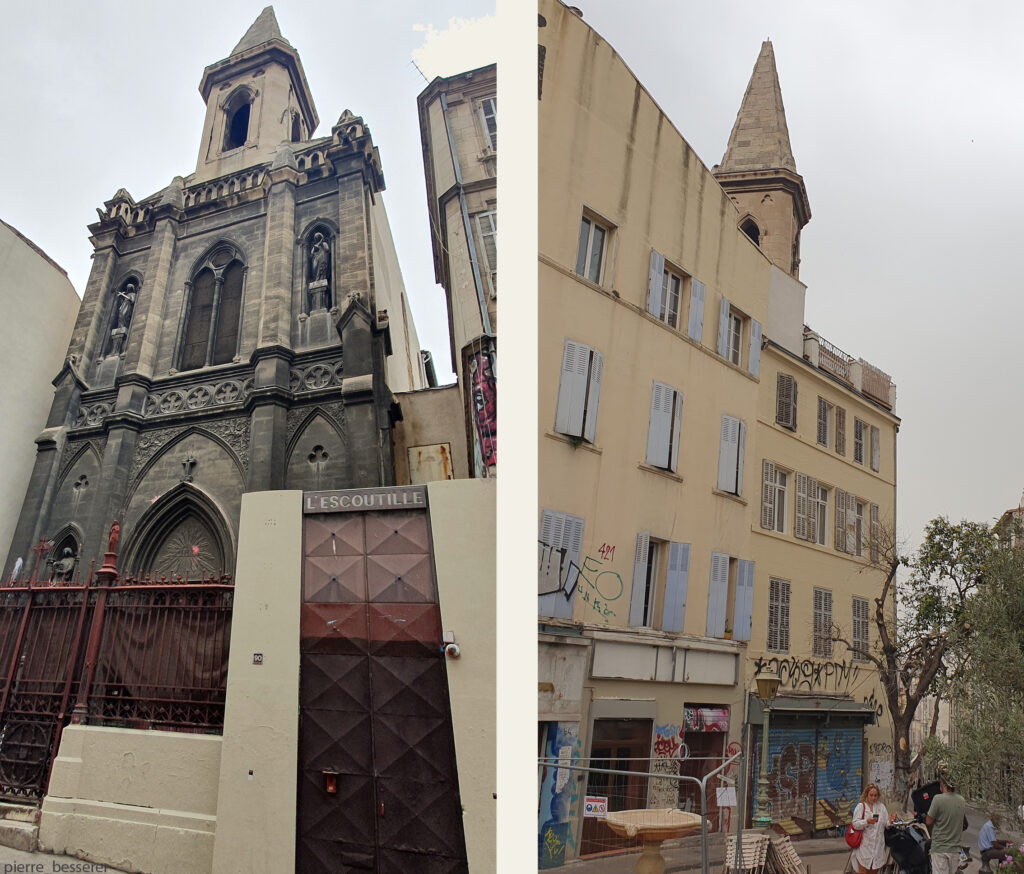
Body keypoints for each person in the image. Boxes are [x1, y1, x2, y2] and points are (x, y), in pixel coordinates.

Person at [925, 765, 966, 874]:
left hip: (940, 848)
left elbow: (928, 821)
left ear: (942, 784)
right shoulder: (961, 800)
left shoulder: (938, 799)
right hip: (955, 849)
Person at [851, 783, 895, 874]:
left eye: (875, 795)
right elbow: (855, 824)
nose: (873, 798)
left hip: (877, 849)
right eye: (871, 795)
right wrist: (866, 821)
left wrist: (891, 821)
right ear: (867, 795)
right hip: (864, 848)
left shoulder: (881, 807)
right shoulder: (861, 807)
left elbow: (886, 824)